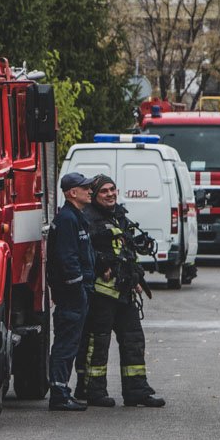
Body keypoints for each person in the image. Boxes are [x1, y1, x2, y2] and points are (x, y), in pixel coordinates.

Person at [77, 175, 164, 408]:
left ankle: (137, 391)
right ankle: (92, 391)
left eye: (113, 189)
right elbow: (84, 252)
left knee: (134, 340)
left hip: (124, 291)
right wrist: (102, 264)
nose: (110, 194)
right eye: (104, 191)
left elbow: (126, 251)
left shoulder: (119, 217)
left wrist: (136, 277)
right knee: (98, 342)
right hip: (101, 295)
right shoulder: (87, 219)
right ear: (94, 196)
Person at [46, 172, 95, 412]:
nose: (90, 191)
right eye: (84, 188)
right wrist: (77, 287)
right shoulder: (67, 219)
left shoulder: (75, 217)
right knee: (66, 342)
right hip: (71, 293)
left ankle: (62, 389)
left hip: (74, 291)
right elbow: (67, 258)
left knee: (70, 341)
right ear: (72, 193)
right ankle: (59, 393)